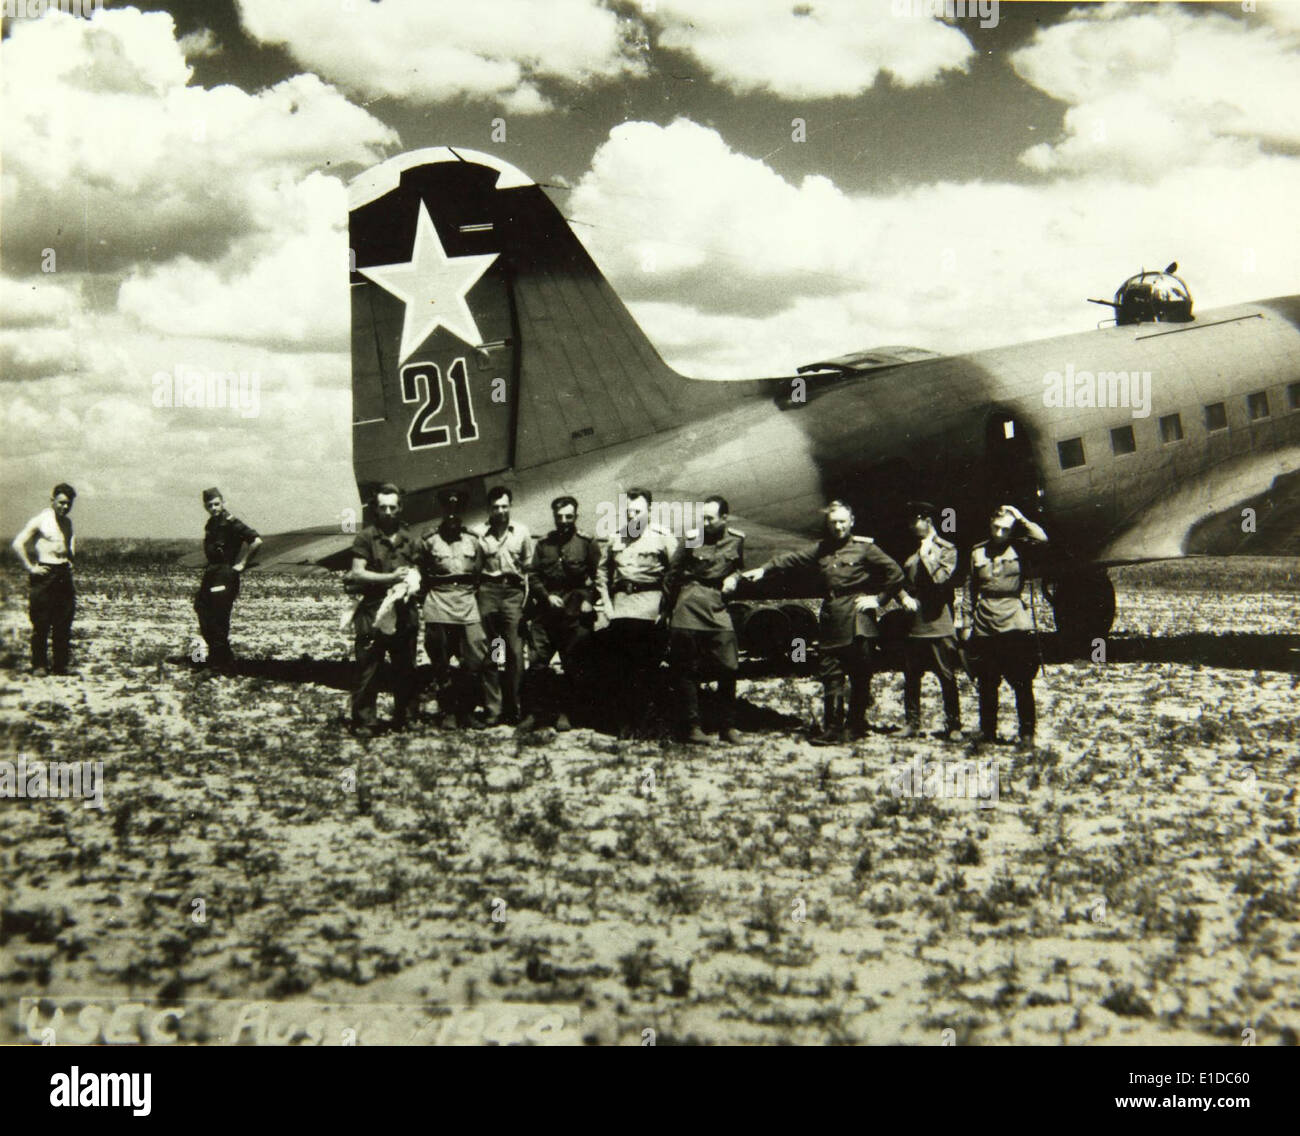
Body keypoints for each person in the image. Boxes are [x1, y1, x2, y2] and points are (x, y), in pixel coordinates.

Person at [744, 500, 903, 745]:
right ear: (828, 525)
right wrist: (764, 569)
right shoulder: (822, 549)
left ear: (851, 522)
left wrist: (879, 600)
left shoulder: (865, 548)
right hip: (832, 616)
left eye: (842, 522)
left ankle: (856, 724)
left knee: (859, 674)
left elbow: (895, 573)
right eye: (833, 523)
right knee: (831, 673)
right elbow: (792, 559)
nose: (838, 527)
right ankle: (833, 727)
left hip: (857, 618)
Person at [596, 488, 677, 738]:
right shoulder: (616, 538)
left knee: (646, 668)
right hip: (622, 608)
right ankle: (624, 723)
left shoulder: (663, 537)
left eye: (638, 512)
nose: (633, 517)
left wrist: (666, 609)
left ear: (649, 511)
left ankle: (645, 721)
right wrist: (607, 604)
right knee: (621, 668)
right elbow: (602, 573)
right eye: (629, 512)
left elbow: (676, 574)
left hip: (650, 608)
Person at [966, 504, 1049, 748]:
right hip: (985, 621)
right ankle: (988, 733)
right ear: (989, 525)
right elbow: (971, 589)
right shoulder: (977, 552)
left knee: (1022, 681)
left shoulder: (1020, 548)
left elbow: (1041, 539)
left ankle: (1026, 734)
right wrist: (965, 620)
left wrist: (1021, 518)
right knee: (987, 683)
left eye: (1005, 529)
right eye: (996, 527)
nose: (1000, 533)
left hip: (1014, 620)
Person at [665, 495, 744, 745]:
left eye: (711, 518)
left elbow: (739, 566)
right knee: (686, 667)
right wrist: (669, 609)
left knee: (729, 665)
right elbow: (672, 574)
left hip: (718, 606)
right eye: (704, 517)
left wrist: (735, 578)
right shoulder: (692, 538)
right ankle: (692, 727)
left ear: (724, 518)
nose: (706, 523)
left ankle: (728, 726)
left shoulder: (736, 539)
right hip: (689, 604)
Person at [346, 483, 421, 738]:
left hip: (403, 609)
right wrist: (390, 578)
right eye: (383, 507)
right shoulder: (366, 537)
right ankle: (365, 721)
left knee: (406, 666)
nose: (388, 512)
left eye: (392, 507)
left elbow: (418, 568)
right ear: (375, 510)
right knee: (368, 667)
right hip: (372, 609)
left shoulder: (410, 538)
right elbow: (357, 572)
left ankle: (406, 717)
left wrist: (413, 581)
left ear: (399, 508)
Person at [520, 496, 600, 732]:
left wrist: (589, 600)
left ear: (576, 516)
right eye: (559, 517)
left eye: (569, 516)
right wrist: (545, 596)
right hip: (546, 613)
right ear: (554, 517)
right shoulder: (544, 544)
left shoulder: (587, 543)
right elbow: (532, 575)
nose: (564, 521)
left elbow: (600, 575)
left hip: (575, 612)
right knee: (537, 664)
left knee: (573, 665)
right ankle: (535, 714)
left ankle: (567, 714)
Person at [419, 488, 490, 728]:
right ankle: (448, 711)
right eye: (448, 510)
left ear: (461, 512)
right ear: (443, 511)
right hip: (438, 601)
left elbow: (478, 574)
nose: (452, 514)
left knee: (475, 658)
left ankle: (466, 710)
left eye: (456, 510)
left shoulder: (472, 540)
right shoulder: (429, 541)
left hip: (467, 602)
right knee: (440, 661)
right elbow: (420, 574)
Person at [898, 501, 962, 740]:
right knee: (912, 676)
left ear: (928, 521)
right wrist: (903, 597)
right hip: (916, 623)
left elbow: (941, 579)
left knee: (946, 675)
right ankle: (912, 723)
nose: (911, 526)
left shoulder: (947, 549)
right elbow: (899, 582)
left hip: (939, 621)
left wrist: (926, 555)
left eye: (915, 521)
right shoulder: (910, 551)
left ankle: (954, 725)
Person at [474, 486, 533, 725]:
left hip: (512, 593)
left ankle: (514, 707)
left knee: (514, 651)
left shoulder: (521, 531)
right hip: (487, 591)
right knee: (489, 650)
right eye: (496, 507)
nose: (500, 511)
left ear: (510, 506)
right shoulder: (478, 533)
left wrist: (526, 598)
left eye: (504, 506)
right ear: (489, 508)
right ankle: (493, 709)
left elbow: (528, 566)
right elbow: (475, 567)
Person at [11, 483, 78, 676]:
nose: (65, 507)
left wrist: (70, 559)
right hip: (45, 574)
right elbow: (18, 543)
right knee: (41, 622)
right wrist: (31, 567)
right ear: (53, 501)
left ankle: (60, 665)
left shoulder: (67, 523)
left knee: (63, 622)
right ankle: (39, 665)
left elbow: (69, 542)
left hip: (63, 574)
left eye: (68, 504)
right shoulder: (41, 520)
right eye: (61, 503)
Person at [194, 488, 262, 671]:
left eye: (216, 504)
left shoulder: (232, 523)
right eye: (209, 505)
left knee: (219, 616)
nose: (213, 508)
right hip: (212, 573)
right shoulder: (211, 524)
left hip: (225, 573)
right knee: (201, 607)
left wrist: (242, 564)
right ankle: (219, 656)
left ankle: (222, 662)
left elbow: (256, 541)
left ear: (223, 503)